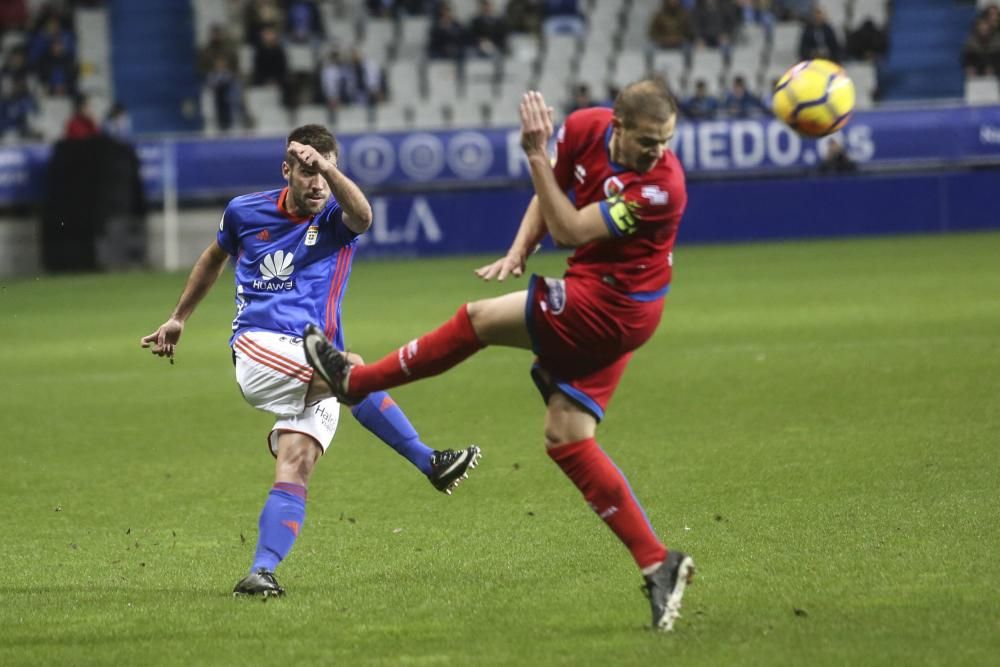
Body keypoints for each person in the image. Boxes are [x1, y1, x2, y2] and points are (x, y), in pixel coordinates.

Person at [302, 80, 695, 631]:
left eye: (667, 141)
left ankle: (357, 380)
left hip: (613, 308)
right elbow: (550, 193)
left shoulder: (662, 188)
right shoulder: (585, 128)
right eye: (650, 141)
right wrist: (519, 246)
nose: (660, 152)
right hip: (605, 296)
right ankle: (659, 563)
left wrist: (534, 152)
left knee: (478, 320)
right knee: (568, 438)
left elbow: (568, 227)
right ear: (618, 127)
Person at [140, 124, 481, 597]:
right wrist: (179, 317)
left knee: (296, 463)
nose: (317, 181)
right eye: (307, 170)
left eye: (326, 171)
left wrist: (326, 167)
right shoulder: (245, 211)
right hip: (260, 349)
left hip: (317, 361)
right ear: (287, 171)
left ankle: (260, 571)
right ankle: (428, 461)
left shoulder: (337, 224)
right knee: (352, 367)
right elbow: (214, 256)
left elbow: (364, 215)